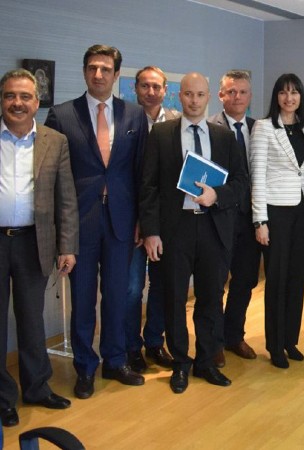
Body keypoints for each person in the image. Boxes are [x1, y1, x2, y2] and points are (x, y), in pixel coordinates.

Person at [45, 44, 147, 399]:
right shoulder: (61, 115)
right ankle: (85, 367)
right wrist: (59, 230)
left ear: (116, 74)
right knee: (83, 300)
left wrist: (142, 220)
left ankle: (115, 361)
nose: (98, 74)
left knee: (117, 296)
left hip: (122, 221)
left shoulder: (134, 115)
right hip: (80, 222)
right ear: (84, 71)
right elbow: (52, 177)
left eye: (105, 68)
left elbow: (141, 173)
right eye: (92, 68)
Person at [140, 72, 247, 394]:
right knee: (174, 298)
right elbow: (148, 187)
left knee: (211, 297)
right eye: (188, 94)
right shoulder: (161, 134)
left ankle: (206, 361)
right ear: (179, 95)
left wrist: (218, 195)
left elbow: (241, 182)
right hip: (176, 229)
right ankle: (180, 363)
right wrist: (151, 232)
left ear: (209, 97)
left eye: (200, 95)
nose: (194, 100)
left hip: (214, 227)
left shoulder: (224, 137)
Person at [0, 69, 79, 427]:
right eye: (10, 95)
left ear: (37, 102)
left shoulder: (54, 141)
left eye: (25, 96)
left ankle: (36, 388)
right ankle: (3, 398)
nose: (17, 103)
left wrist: (67, 246)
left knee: (32, 319)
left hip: (34, 242)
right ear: (2, 100)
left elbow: (66, 198)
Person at [250, 73, 304, 369]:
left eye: (294, 92)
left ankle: (291, 340)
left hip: (303, 210)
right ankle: (275, 345)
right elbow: (258, 176)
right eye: (283, 92)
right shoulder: (264, 127)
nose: (289, 98)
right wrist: (259, 221)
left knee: (296, 277)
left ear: (301, 96)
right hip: (275, 212)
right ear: (276, 96)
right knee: (276, 279)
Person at [125, 66, 179, 374]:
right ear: (136, 88)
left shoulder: (176, 122)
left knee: (162, 285)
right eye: (144, 85)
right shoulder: (125, 122)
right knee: (133, 289)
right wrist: (138, 221)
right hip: (132, 223)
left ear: (165, 90)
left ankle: (155, 342)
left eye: (156, 86)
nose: (150, 91)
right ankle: (132, 347)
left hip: (166, 222)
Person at [208, 69, 258, 366]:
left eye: (242, 92)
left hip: (250, 220)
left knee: (245, 280)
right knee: (215, 282)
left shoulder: (259, 128)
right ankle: (213, 341)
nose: (237, 97)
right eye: (231, 91)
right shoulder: (209, 127)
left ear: (250, 96)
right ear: (221, 95)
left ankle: (233, 335)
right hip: (218, 218)